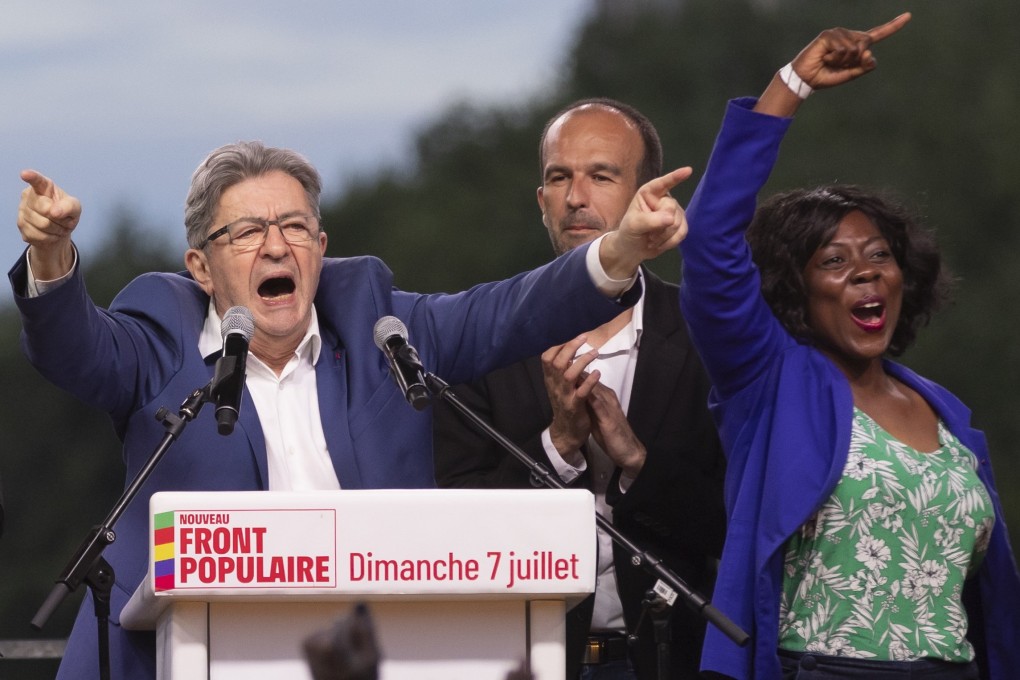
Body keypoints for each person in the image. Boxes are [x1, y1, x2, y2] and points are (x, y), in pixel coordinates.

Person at [10, 141, 692, 680]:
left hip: (372, 656)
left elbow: (510, 312)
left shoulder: (381, 329)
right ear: (201, 266)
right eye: (247, 232)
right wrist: (50, 253)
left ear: (321, 248)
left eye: (294, 226)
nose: (276, 246)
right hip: (175, 655)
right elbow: (75, 350)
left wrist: (622, 248)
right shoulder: (159, 339)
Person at [679, 12, 1020, 680]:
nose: (866, 272)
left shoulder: (944, 409)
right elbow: (710, 244)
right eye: (835, 261)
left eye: (879, 255)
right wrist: (790, 86)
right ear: (794, 290)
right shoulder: (772, 381)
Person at [433, 98, 726, 679]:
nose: (575, 197)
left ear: (646, 196)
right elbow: (450, 529)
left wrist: (637, 462)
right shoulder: (479, 337)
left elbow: (735, 519)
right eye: (559, 178)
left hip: (673, 661)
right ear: (541, 202)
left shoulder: (706, 337)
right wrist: (559, 447)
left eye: (601, 176)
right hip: (522, 660)